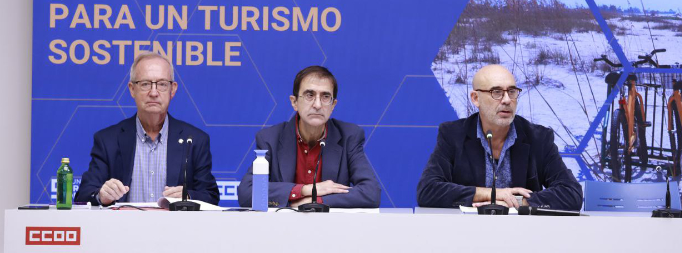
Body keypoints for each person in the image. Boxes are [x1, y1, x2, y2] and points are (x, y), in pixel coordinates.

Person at [416, 64, 582, 210]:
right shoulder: (453, 135)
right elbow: (428, 191)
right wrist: (493, 195)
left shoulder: (538, 138)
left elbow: (571, 194)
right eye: (496, 92)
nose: (507, 100)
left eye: (512, 92)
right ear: (475, 98)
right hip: (466, 234)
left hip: (524, 236)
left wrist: (517, 202)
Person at [75, 52, 219, 206]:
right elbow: (84, 194)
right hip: (122, 228)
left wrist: (188, 196)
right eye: (145, 84)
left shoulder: (195, 140)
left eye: (162, 84)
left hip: (176, 229)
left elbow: (211, 196)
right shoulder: (108, 140)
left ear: (173, 89)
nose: (154, 92)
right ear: (132, 89)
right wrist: (101, 195)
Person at [239, 66, 380, 208]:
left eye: (325, 97)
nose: (317, 105)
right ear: (294, 102)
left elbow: (371, 193)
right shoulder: (270, 138)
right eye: (309, 95)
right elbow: (246, 193)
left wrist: (314, 202)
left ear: (333, 105)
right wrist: (304, 190)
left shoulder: (349, 136)